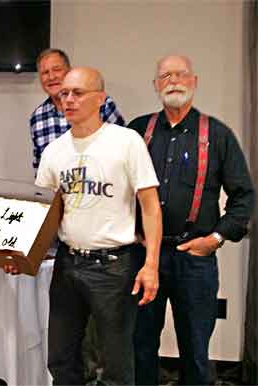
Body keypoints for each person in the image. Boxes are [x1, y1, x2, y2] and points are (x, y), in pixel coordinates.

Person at [129, 55, 255, 386]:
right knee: (139, 346)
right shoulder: (136, 131)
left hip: (194, 261)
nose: (173, 81)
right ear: (156, 85)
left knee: (196, 350)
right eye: (165, 75)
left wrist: (215, 239)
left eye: (181, 74)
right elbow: (119, 191)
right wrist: (132, 231)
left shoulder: (218, 134)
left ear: (194, 81)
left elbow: (244, 197)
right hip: (144, 258)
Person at [34, 67, 162, 385]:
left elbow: (150, 207)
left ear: (100, 98)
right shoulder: (54, 151)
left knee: (116, 366)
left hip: (114, 268)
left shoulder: (126, 142)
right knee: (61, 361)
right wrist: (22, 256)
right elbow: (42, 212)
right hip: (67, 264)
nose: (69, 100)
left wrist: (151, 265)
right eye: (64, 94)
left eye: (78, 93)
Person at [30, 48, 125, 171]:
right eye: (45, 73)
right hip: (58, 188)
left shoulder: (99, 103)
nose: (51, 77)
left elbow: (122, 147)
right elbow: (40, 165)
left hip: (101, 185)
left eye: (57, 70)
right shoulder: (37, 118)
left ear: (69, 72)